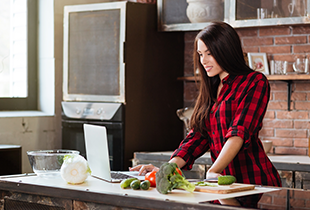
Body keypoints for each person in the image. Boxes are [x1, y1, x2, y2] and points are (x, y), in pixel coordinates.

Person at [130, 21, 282, 207]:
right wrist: (166, 170)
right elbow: (197, 137)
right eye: (201, 54)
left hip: (255, 184)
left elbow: (239, 133)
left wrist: (213, 170)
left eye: (209, 53)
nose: (203, 61)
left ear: (226, 50)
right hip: (220, 187)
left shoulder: (254, 81)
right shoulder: (211, 88)